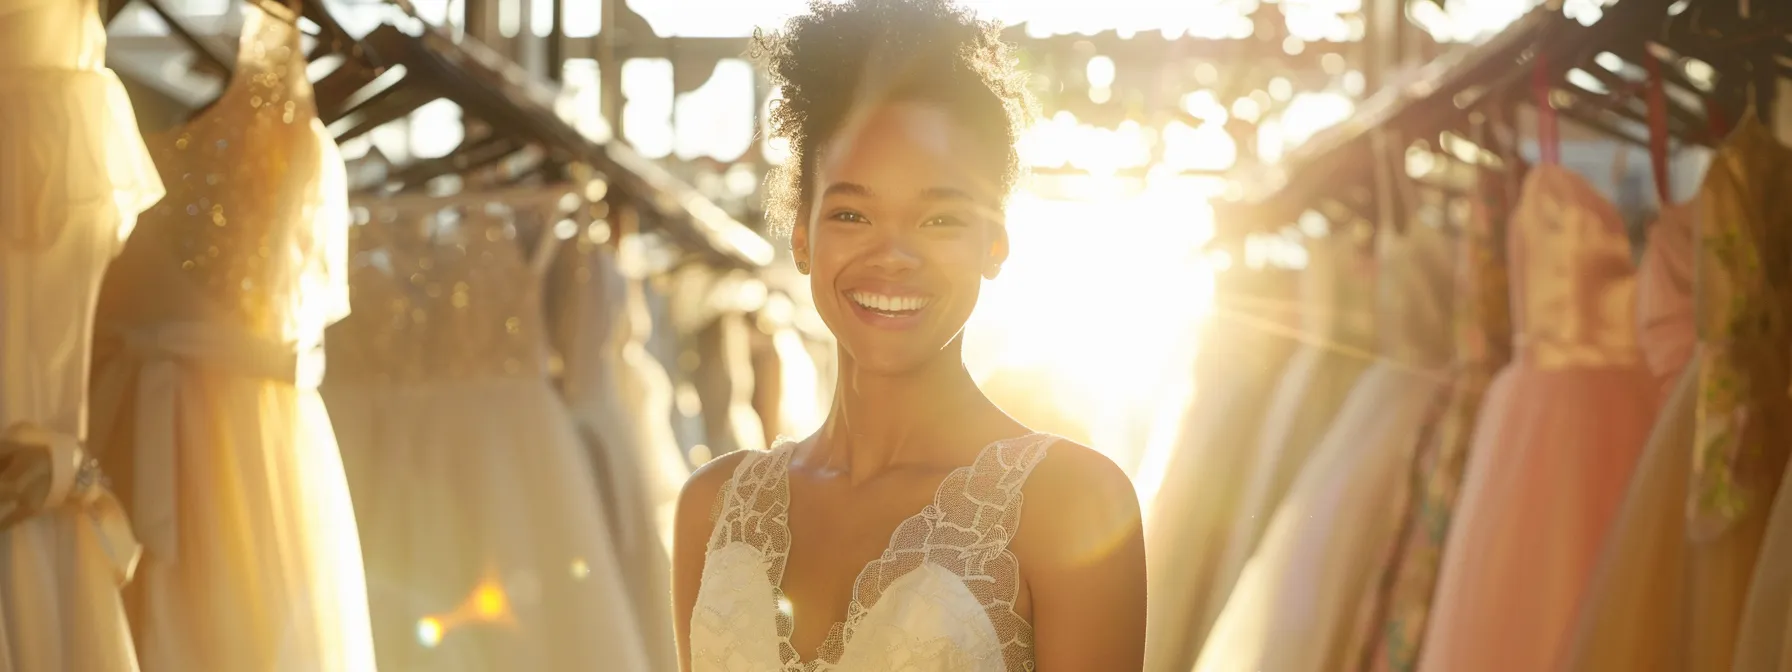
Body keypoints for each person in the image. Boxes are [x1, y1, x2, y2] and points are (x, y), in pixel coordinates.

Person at [670, 1, 1147, 670]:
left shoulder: (1073, 503)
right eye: (852, 213)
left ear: (995, 243)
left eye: (940, 219)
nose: (893, 255)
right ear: (802, 235)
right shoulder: (711, 509)